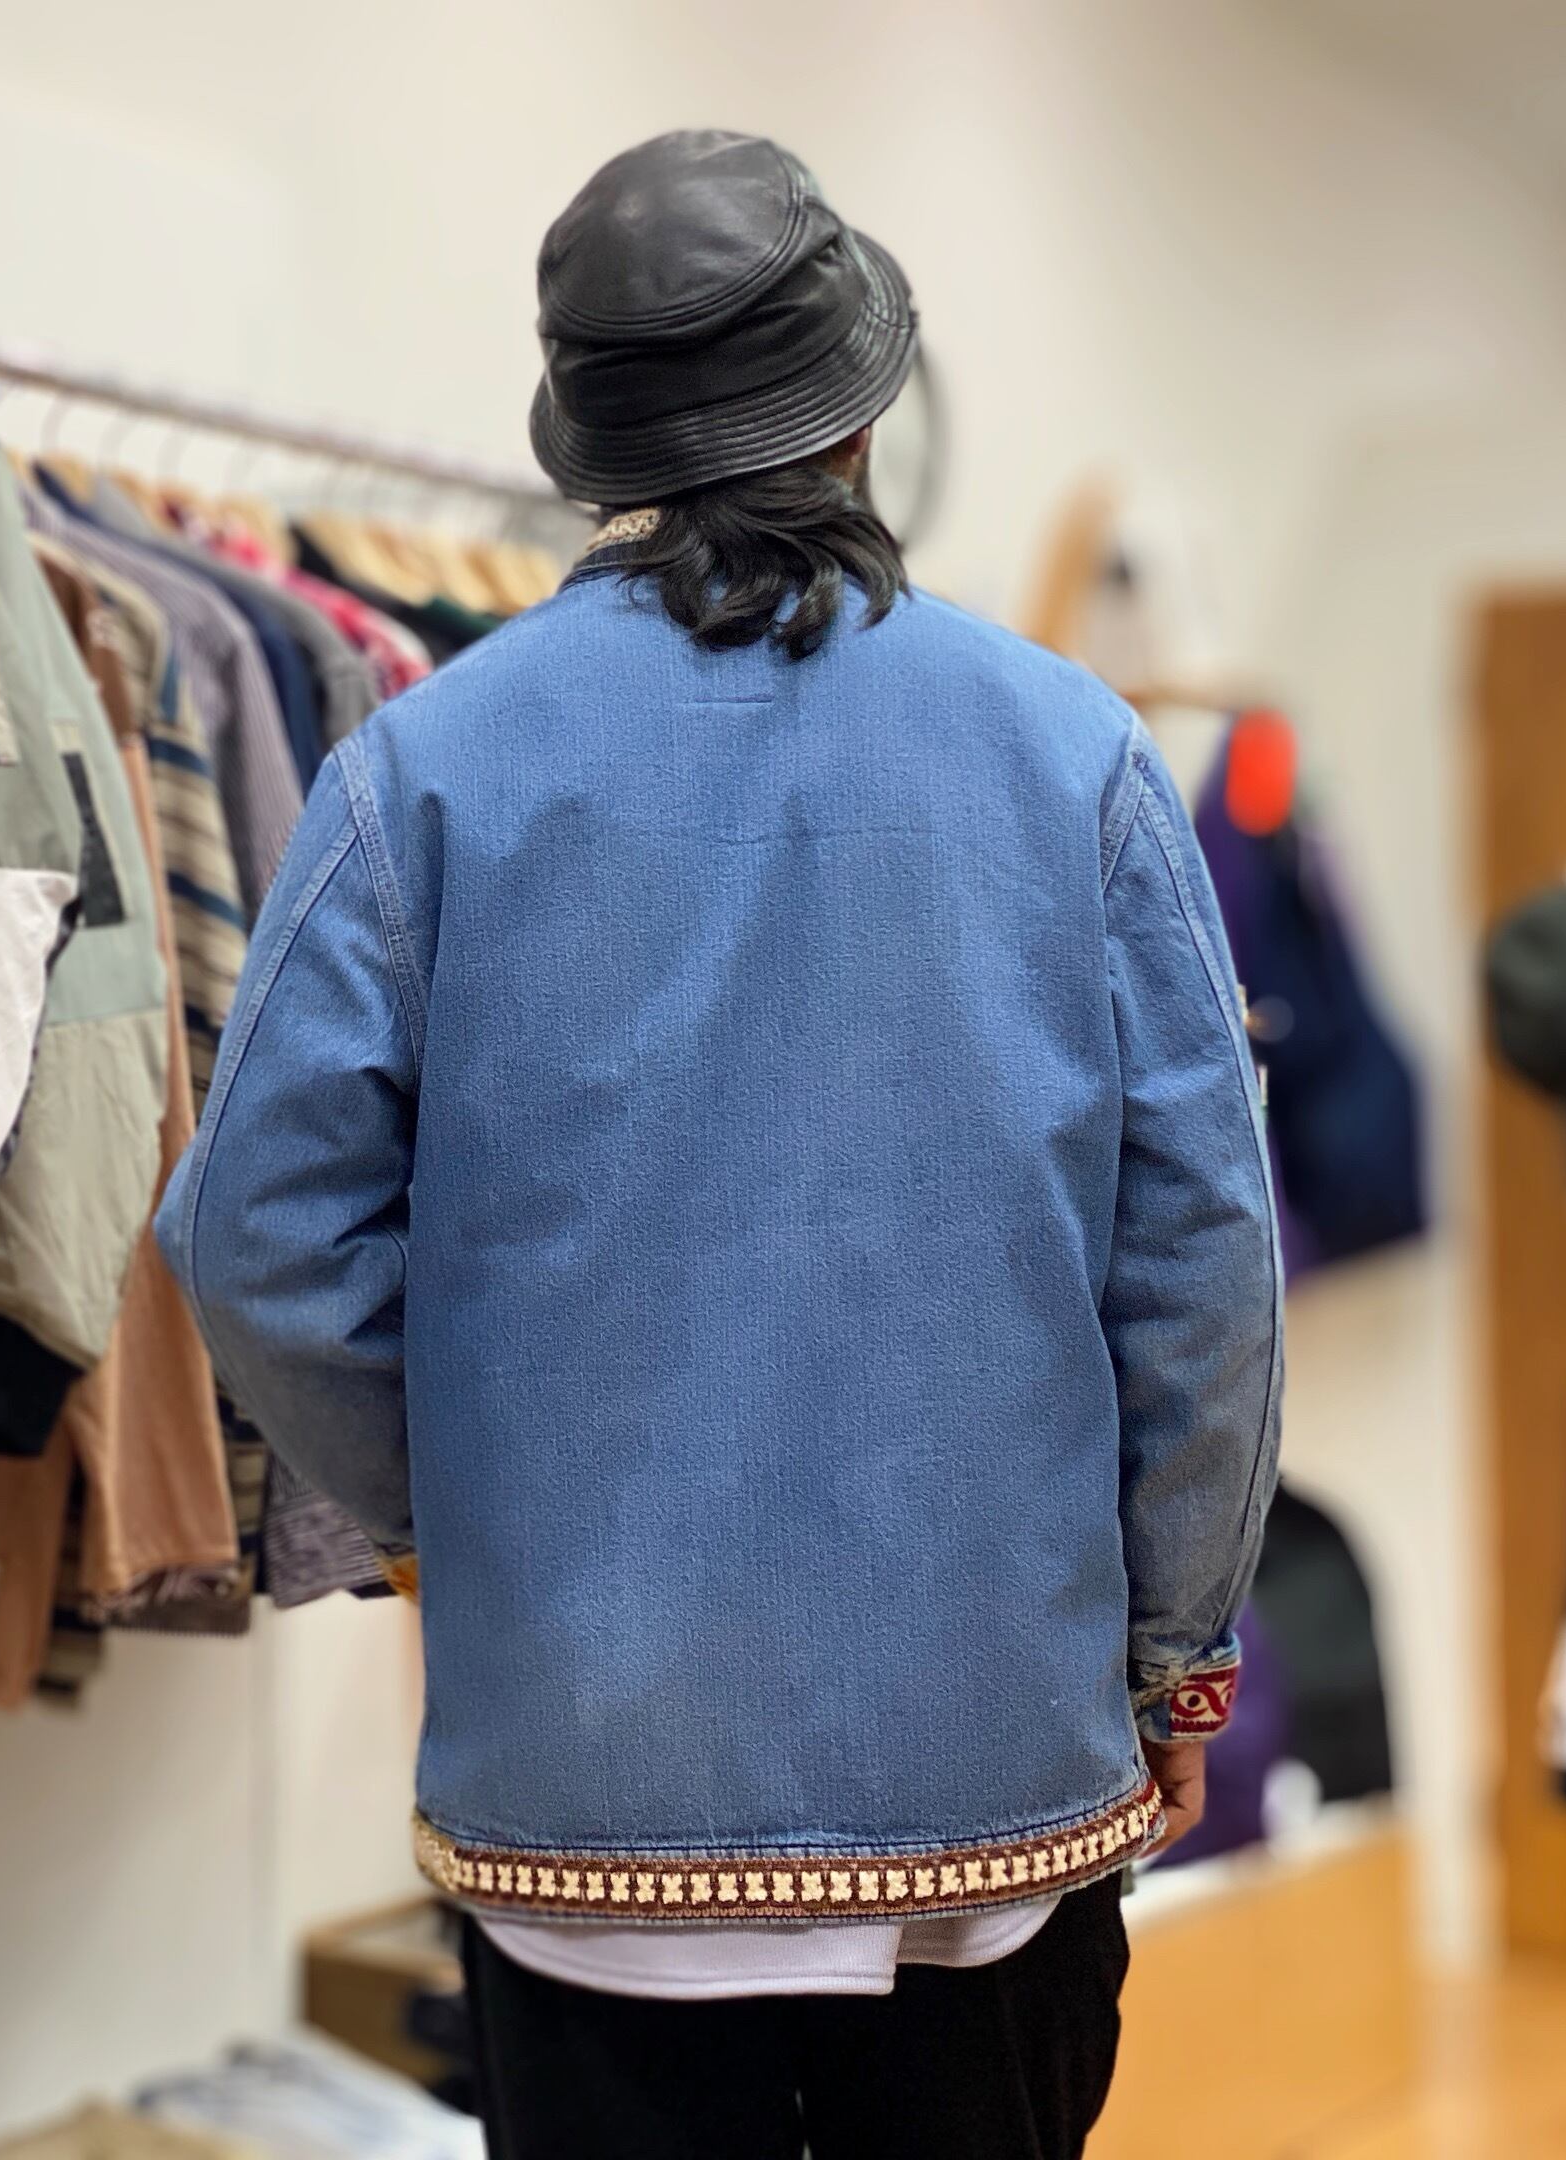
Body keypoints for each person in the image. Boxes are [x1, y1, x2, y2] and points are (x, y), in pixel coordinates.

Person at [161, 128, 1283, 2160]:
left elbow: (254, 1234)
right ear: (860, 416)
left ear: (597, 447)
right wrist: (1175, 1660)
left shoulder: (422, 769)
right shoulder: (1074, 756)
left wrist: (460, 1511)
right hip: (989, 1785)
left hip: (589, 1802)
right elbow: (1202, 1253)